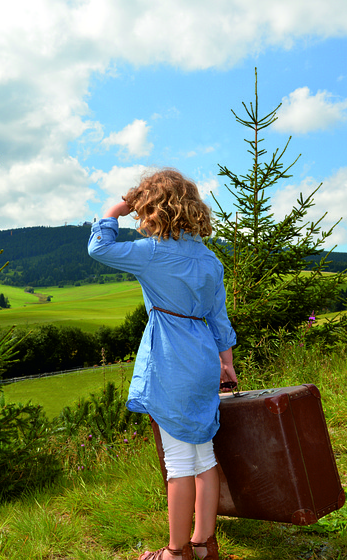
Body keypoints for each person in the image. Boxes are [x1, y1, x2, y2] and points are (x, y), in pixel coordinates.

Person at [88, 168, 237, 560]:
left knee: (177, 461)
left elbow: (99, 249)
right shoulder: (209, 259)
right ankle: (204, 544)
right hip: (204, 357)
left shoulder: (151, 253)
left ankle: (175, 551)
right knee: (204, 454)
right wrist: (227, 364)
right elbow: (220, 320)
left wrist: (113, 209)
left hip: (172, 360)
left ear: (151, 208)